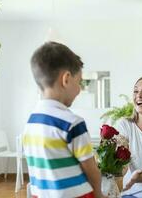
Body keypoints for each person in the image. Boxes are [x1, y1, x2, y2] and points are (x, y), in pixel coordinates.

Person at [22, 42, 106, 198]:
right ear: (66, 79)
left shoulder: (31, 122)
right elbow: (91, 170)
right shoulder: (72, 123)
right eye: (79, 82)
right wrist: (99, 194)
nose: (80, 89)